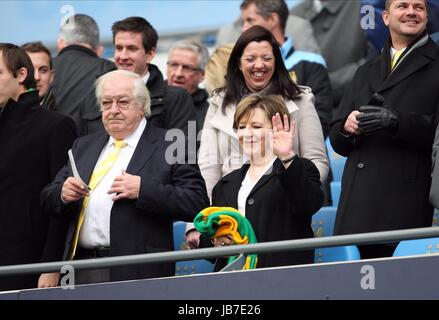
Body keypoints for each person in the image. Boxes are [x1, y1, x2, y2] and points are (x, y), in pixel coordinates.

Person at [41, 70, 209, 284]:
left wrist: (143, 190)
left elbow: (197, 202)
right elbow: (47, 198)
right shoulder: (83, 145)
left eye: (122, 102)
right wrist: (62, 193)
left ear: (141, 107)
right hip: (79, 269)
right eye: (106, 103)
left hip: (138, 271)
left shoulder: (170, 143)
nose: (113, 110)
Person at [187, 26, 328, 248]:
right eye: (250, 58)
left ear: (277, 62)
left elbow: (316, 160)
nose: (259, 65)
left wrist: (296, 190)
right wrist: (202, 223)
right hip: (231, 213)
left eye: (266, 58)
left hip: (282, 213)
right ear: (238, 63)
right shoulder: (218, 103)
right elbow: (208, 167)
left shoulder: (300, 100)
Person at [329, 0, 439, 259]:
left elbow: (437, 133)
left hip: (403, 201)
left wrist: (397, 121)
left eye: (419, 7)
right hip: (356, 203)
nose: (411, 12)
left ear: (427, 16)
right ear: (386, 17)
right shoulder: (364, 70)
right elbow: (336, 138)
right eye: (403, 6)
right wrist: (347, 126)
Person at [203, 94, 324, 269]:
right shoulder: (225, 184)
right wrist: (217, 241)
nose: (247, 133)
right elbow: (209, 243)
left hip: (282, 280)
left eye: (256, 126)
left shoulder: (299, 168)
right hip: (233, 283)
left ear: (277, 130)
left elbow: (308, 204)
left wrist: (286, 157)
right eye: (242, 127)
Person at [0, 44, 76, 291]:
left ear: (21, 75)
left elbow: (62, 202)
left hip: (28, 262)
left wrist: (51, 265)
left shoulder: (56, 125)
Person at [79, 17, 197, 139]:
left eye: (132, 49)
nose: (123, 56)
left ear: (150, 54)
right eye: (119, 48)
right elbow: (80, 148)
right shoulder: (92, 97)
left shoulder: (176, 100)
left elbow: (186, 150)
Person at [240, 0, 333, 137]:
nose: (244, 28)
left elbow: (320, 123)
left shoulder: (311, 63)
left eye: (250, 20)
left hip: (298, 154)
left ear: (272, 19)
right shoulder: (242, 67)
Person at [291, 0, 369, 105]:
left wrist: (324, 85)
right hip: (301, 113)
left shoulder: (367, 8)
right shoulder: (294, 14)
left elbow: (378, 60)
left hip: (349, 112)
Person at [52, 14, 116, 128]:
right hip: (92, 144)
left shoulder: (41, 70)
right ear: (99, 49)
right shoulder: (107, 69)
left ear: (60, 43)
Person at [216, 6, 321, 54]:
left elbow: (315, 74)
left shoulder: (298, 26)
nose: (245, 28)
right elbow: (216, 77)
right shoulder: (226, 33)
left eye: (250, 20)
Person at [166, 40, 210, 133]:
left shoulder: (211, 109)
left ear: (202, 75)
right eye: (174, 65)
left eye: (187, 68)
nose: (178, 74)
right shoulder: (149, 99)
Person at [21, 41, 55, 110]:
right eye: (30, 70)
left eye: (43, 70)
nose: (36, 77)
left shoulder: (63, 118)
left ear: (51, 76)